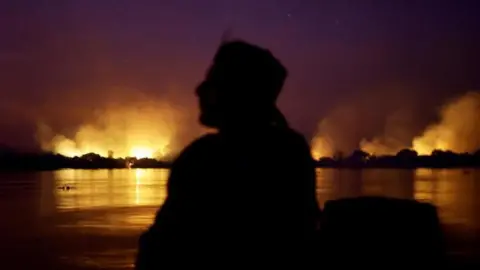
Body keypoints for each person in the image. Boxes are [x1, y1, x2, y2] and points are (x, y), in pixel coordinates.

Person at [135, 40, 320, 269]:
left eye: (212, 82)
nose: (199, 90)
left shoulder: (203, 159)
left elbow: (161, 249)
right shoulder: (291, 151)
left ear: (236, 91)